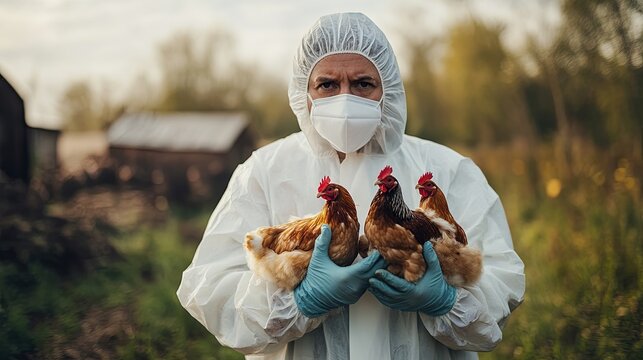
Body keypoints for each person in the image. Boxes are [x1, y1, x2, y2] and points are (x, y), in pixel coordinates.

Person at [177, 12, 525, 360]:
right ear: (305, 92)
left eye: (362, 84)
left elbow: (502, 282)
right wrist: (297, 303)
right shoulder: (263, 171)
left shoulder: (450, 169)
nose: (345, 99)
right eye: (328, 84)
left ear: (385, 89)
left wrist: (448, 302)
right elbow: (210, 287)